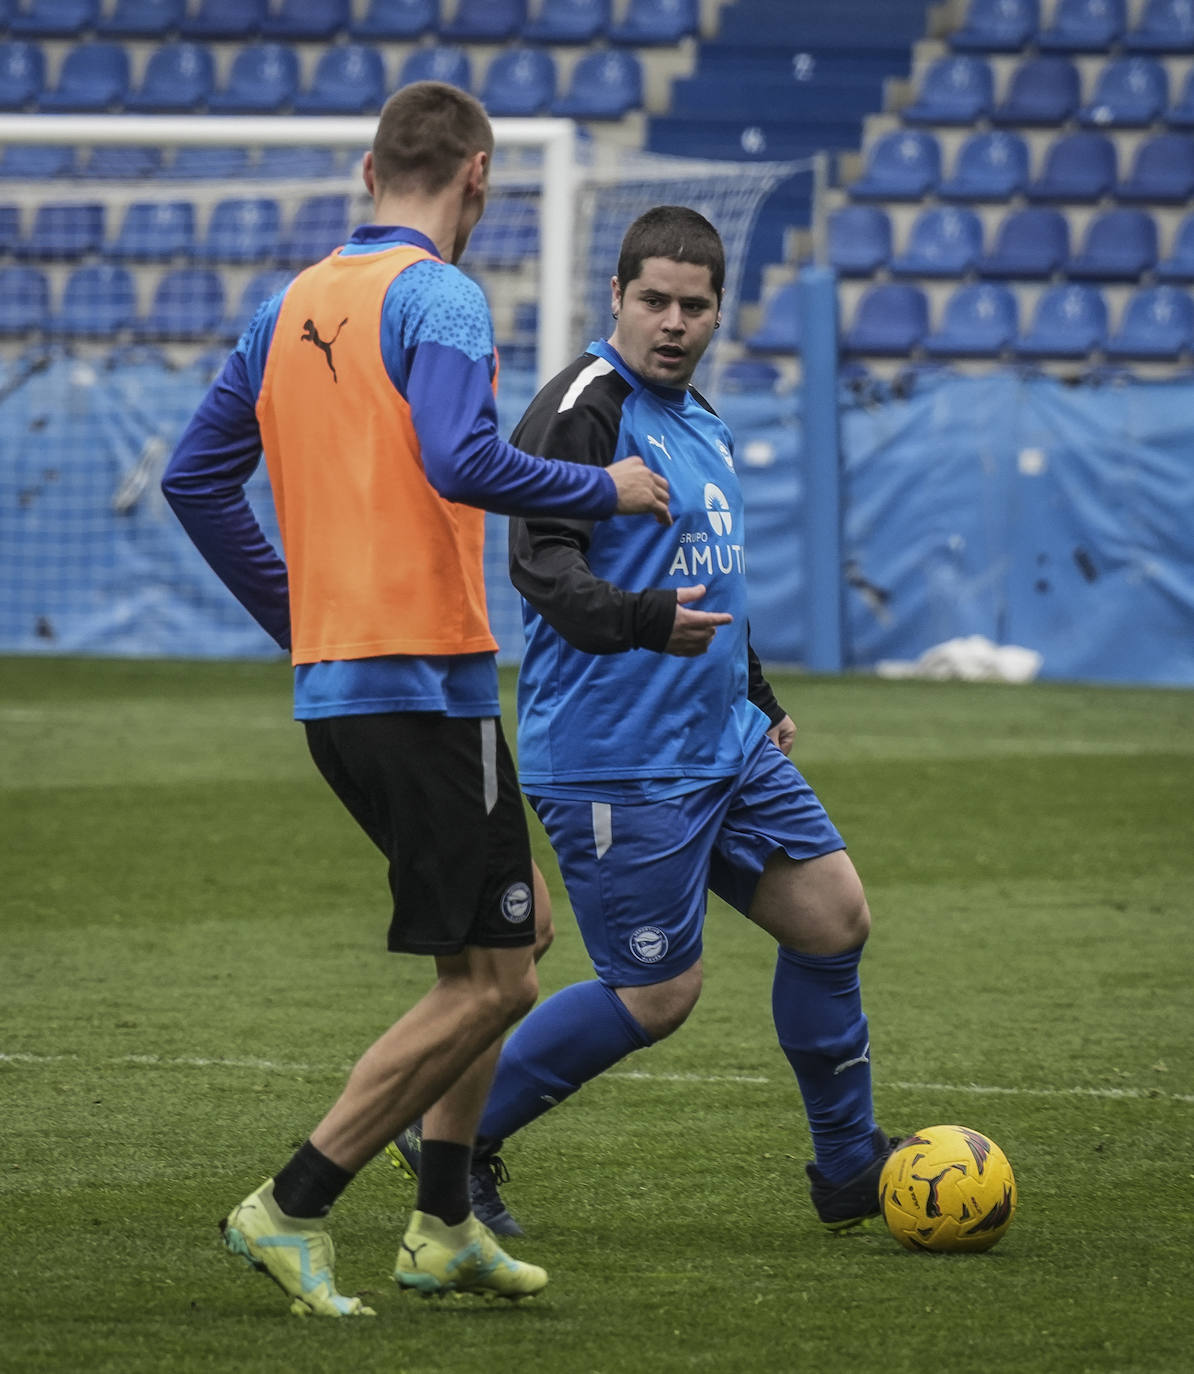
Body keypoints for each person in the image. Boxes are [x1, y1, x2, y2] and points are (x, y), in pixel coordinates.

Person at [160, 82, 671, 1318]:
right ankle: (292, 1203)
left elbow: (194, 479)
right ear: (478, 176)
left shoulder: (287, 303)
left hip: (347, 687)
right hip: (426, 686)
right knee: (495, 983)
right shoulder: (438, 294)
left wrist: (300, 618)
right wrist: (608, 489)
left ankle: (444, 1219)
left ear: (366, 172)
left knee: (515, 934)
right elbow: (459, 458)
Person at [392, 205, 894, 1238]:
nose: (672, 321)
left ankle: (850, 1170)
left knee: (834, 919)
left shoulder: (700, 416)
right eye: (654, 300)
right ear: (615, 297)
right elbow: (542, 567)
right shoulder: (583, 405)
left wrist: (751, 691)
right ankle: (455, 1134)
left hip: (721, 746)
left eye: (693, 306)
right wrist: (642, 623)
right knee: (656, 995)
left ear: (718, 314)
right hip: (619, 764)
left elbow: (711, 581)